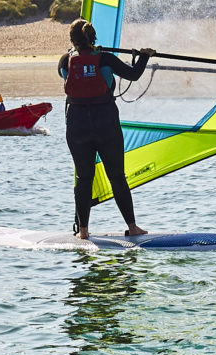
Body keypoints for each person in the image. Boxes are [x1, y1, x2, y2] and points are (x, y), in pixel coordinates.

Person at [58, 18, 153, 239]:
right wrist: (144, 56)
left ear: (72, 40)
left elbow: (69, 76)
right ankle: (132, 227)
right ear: (93, 37)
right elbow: (133, 74)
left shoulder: (64, 61)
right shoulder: (106, 59)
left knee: (84, 178)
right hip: (105, 122)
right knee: (117, 176)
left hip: (77, 124)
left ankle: (83, 232)